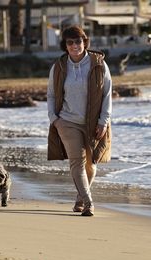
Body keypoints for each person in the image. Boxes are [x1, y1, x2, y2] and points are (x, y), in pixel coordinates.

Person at [47, 25, 112, 216]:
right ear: (65, 45)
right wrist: (55, 120)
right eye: (70, 42)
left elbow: (107, 94)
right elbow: (51, 95)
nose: (75, 45)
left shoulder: (99, 63)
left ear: (85, 42)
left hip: (94, 123)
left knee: (91, 165)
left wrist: (103, 121)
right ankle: (89, 202)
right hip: (67, 121)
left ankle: (79, 199)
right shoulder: (58, 66)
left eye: (78, 41)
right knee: (77, 162)